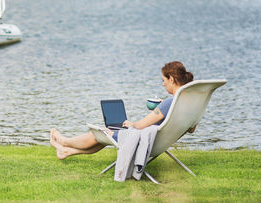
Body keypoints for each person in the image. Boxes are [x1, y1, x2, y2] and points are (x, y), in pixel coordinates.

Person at [50, 61, 194, 160]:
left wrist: (131, 124)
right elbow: (192, 129)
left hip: (143, 140)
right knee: (106, 136)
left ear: (172, 80)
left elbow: (140, 125)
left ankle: (64, 141)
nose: (163, 84)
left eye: (163, 80)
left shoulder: (168, 103)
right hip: (160, 141)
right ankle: (67, 151)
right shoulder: (188, 103)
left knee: (99, 133)